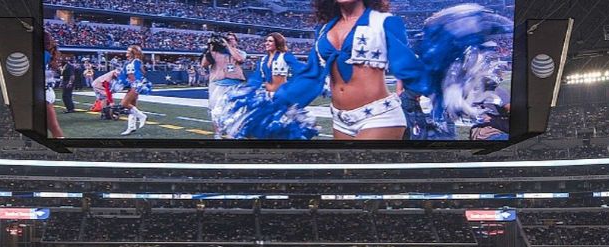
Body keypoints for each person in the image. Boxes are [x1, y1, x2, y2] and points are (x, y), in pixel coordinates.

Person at [221, 0, 509, 140]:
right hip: (340, 119)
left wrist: (455, 91)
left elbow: (408, 69)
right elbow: (310, 77)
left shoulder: (384, 23)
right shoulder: (324, 29)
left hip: (380, 116)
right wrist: (272, 106)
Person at [202, 32, 246, 137]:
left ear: (236, 41)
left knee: (236, 109)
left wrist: (227, 45)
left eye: (232, 39)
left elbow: (239, 59)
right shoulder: (216, 52)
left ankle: (233, 130)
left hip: (236, 83)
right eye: (228, 39)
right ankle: (218, 133)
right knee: (216, 110)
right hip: (218, 83)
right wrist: (210, 48)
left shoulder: (241, 52)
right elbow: (204, 64)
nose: (230, 40)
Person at [116, 45, 152, 136]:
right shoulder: (126, 63)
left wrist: (138, 80)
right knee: (132, 106)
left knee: (124, 104)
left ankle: (142, 116)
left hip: (137, 84)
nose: (127, 52)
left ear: (133, 52)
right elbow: (123, 75)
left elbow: (143, 72)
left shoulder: (137, 61)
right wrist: (122, 82)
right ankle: (131, 127)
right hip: (131, 85)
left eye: (129, 51)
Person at [43, 31, 64, 138]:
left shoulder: (44, 54)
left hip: (44, 92)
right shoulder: (48, 54)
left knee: (54, 127)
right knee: (53, 127)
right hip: (46, 91)